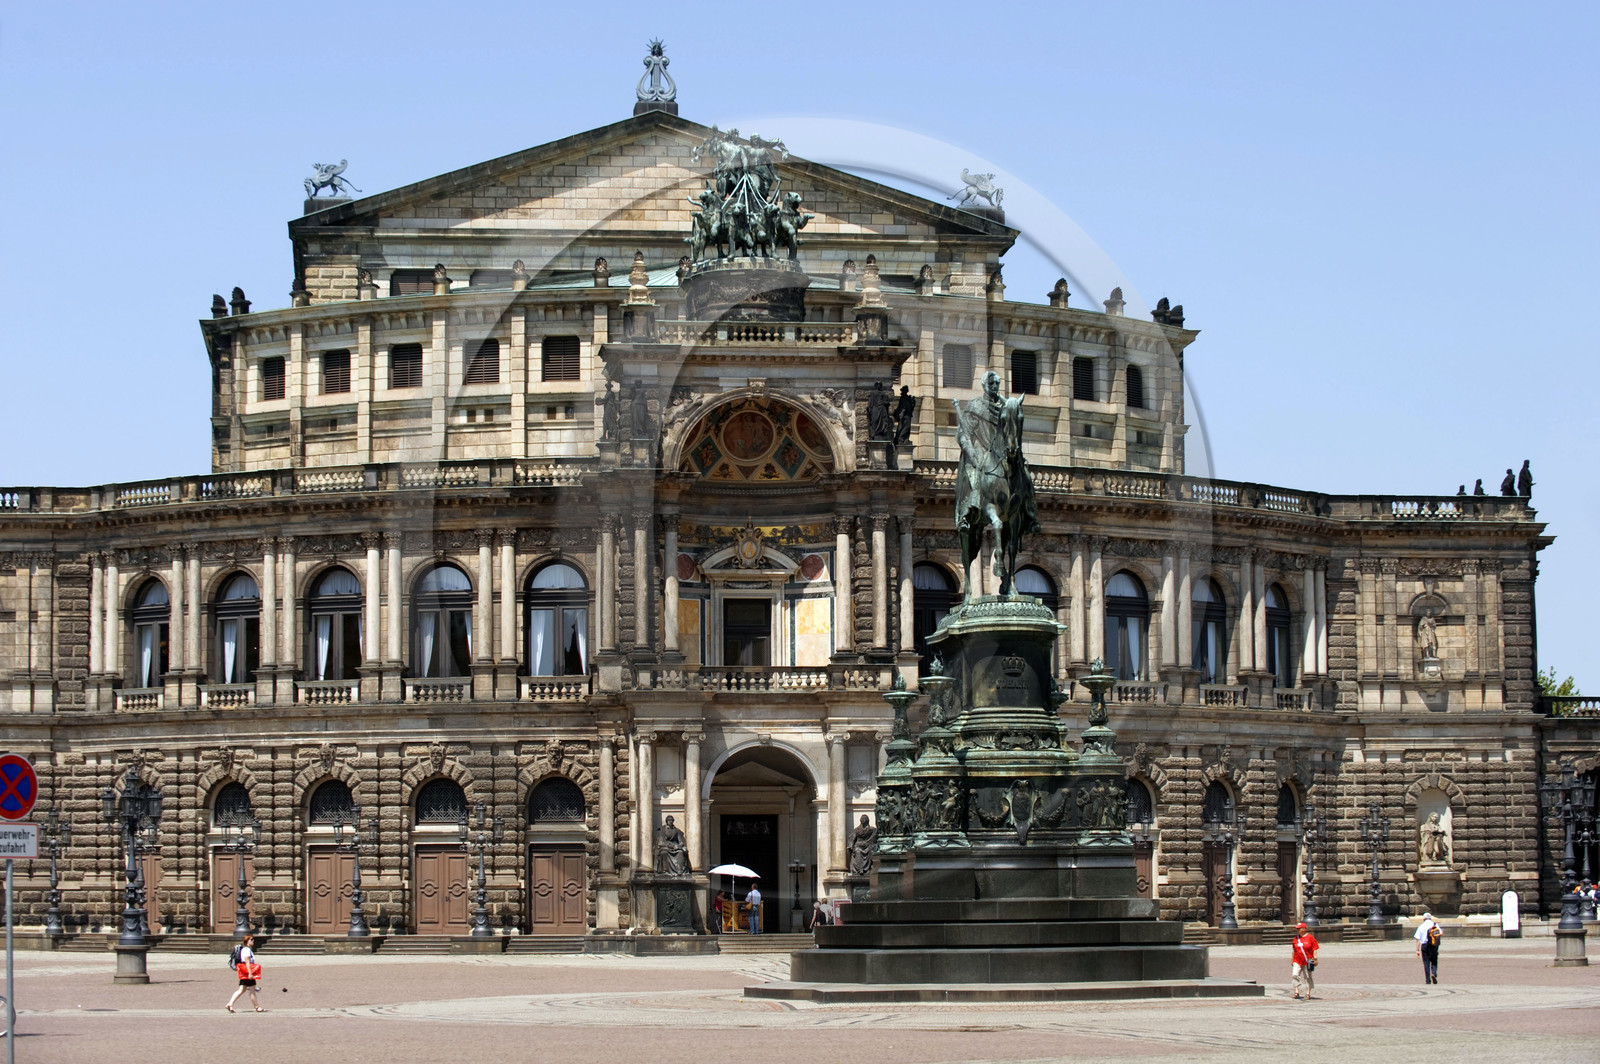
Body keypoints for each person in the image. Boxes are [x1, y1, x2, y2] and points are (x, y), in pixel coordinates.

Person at [225, 933, 265, 1013]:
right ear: (247, 941)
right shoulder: (246, 950)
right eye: (251, 939)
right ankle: (257, 1007)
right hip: (247, 972)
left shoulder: (246, 949)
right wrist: (250, 973)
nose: (253, 941)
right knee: (252, 990)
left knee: (242, 989)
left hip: (244, 972)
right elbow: (247, 962)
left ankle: (230, 1004)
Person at [1291, 921, 1319, 1000]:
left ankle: (1308, 993)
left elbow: (1314, 949)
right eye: (1297, 929)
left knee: (1307, 977)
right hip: (1297, 960)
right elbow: (1294, 950)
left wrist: (1315, 959)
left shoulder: (1310, 938)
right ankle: (1297, 991)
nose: (1297, 930)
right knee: (1294, 975)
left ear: (1304, 929)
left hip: (1307, 961)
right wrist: (1292, 960)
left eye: (1299, 929)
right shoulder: (1296, 938)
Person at [1415, 911, 1442, 984]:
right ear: (1430, 918)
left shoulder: (1421, 926)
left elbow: (1418, 939)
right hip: (1434, 945)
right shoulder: (1435, 925)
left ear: (1423, 919)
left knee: (1426, 962)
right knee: (1434, 960)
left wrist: (1417, 950)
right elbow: (1441, 933)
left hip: (1424, 945)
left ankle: (1428, 980)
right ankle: (1434, 972)